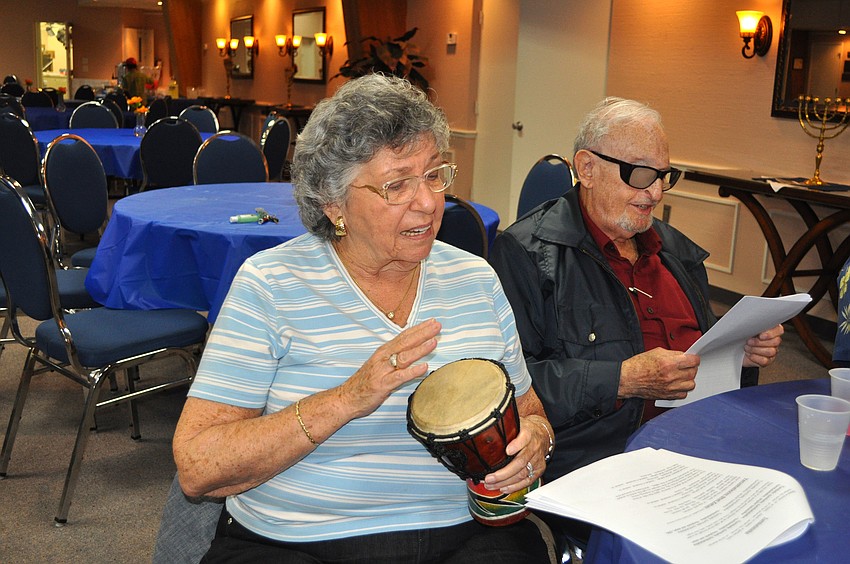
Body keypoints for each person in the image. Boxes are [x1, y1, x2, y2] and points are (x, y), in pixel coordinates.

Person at [172, 74, 554, 563]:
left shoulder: (475, 278)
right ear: (335, 205)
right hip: (300, 541)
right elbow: (199, 465)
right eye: (397, 184)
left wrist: (538, 438)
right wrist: (347, 399)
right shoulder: (270, 284)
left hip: (465, 534)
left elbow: (531, 410)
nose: (428, 201)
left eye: (435, 175)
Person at [489, 96, 784, 552]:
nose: (657, 191)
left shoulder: (677, 252)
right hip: (604, 457)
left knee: (779, 512)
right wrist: (621, 380)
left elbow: (698, 351)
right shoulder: (526, 253)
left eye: (664, 175)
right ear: (586, 168)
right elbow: (510, 384)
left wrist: (740, 351)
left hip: (697, 440)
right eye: (641, 173)